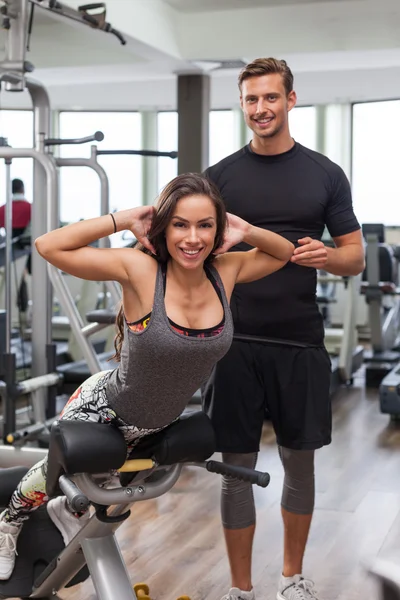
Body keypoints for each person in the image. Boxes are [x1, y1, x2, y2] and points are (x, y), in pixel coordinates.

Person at [0, 172, 294, 581]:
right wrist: (123, 219)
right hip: (105, 408)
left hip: (158, 422)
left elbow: (283, 253)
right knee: (54, 473)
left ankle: (65, 512)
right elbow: (48, 245)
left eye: (205, 225)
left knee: (96, 497)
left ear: (218, 229)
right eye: (180, 224)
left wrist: (245, 230)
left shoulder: (223, 272)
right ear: (163, 227)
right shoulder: (140, 270)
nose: (193, 238)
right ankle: (6, 526)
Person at [201, 58, 365, 600]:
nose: (260, 109)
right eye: (251, 100)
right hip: (233, 342)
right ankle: (241, 589)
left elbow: (355, 258)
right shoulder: (220, 176)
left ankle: (291, 580)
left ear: (291, 100)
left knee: (300, 465)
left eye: (270, 98)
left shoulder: (324, 173)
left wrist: (327, 256)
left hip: (299, 340)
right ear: (242, 104)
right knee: (236, 470)